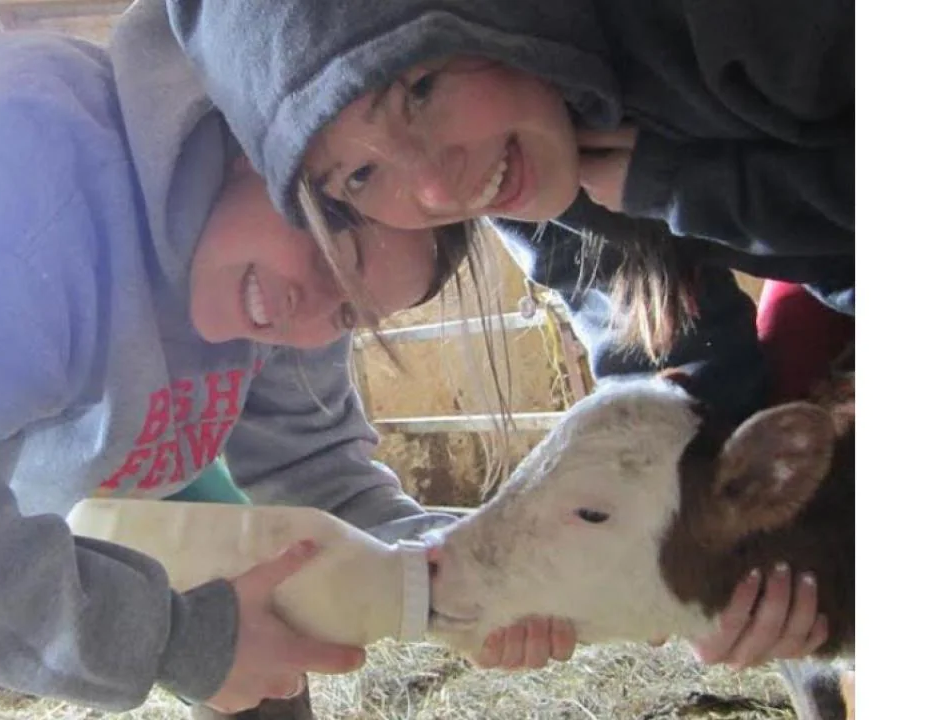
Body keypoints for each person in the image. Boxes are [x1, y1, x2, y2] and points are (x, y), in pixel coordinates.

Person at [0, 5, 551, 720]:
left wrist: (466, 572)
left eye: (349, 310)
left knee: (260, 624)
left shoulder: (274, 281)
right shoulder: (13, 169)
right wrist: (175, 641)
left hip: (85, 402)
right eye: (331, 250)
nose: (309, 313)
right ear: (265, 146)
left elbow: (317, 469)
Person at [164, 0, 853, 671]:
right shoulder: (530, 170)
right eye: (359, 175)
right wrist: (712, 563)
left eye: (421, 91)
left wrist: (687, 188)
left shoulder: (736, 29)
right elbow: (673, 355)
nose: (436, 187)